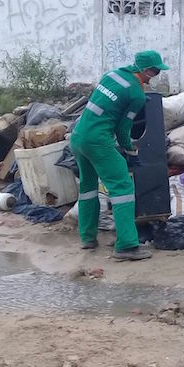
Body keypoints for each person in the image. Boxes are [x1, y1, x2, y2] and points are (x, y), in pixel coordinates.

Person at [70, 50, 168, 261]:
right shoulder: (136, 95)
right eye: (155, 71)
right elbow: (124, 128)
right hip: (98, 142)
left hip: (78, 137)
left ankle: (87, 238)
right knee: (122, 187)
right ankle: (126, 246)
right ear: (146, 71)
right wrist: (131, 150)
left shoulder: (112, 75)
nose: (156, 75)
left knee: (88, 187)